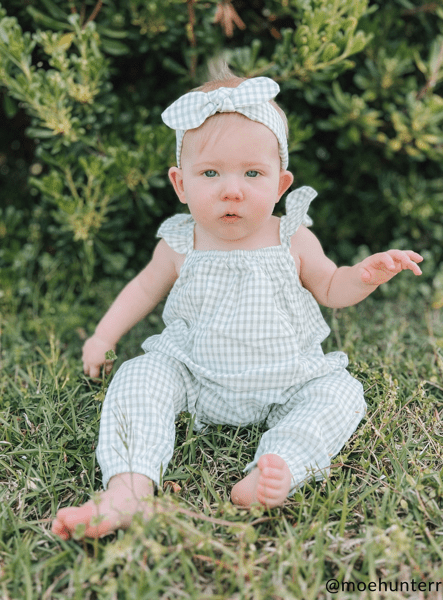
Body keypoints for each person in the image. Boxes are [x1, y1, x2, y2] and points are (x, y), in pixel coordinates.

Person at [52, 71, 423, 540]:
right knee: (139, 375)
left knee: (341, 393)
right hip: (195, 374)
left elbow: (332, 287)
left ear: (281, 184)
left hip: (288, 378)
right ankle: (128, 488)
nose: (232, 190)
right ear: (181, 184)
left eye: (253, 173)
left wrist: (364, 275)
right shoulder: (180, 243)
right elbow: (143, 290)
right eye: (211, 173)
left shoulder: (291, 237)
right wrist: (103, 337)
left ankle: (279, 465)